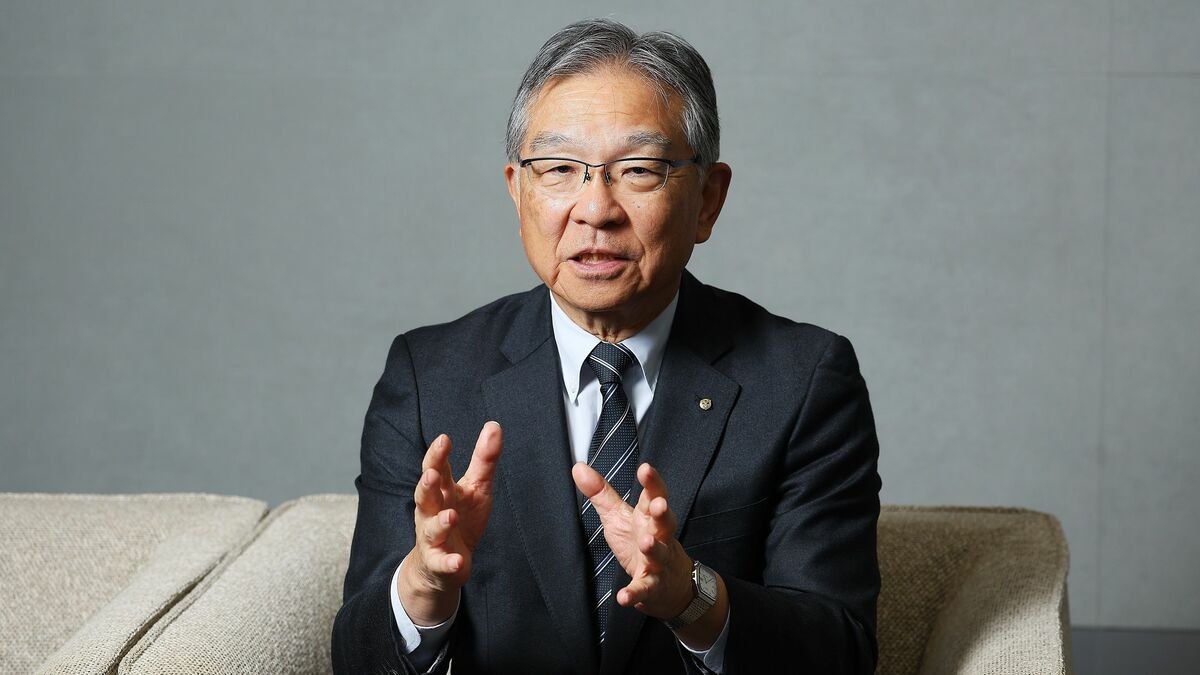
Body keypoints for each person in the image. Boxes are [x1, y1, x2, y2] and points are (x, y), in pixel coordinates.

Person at [332, 18, 880, 675]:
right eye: (559, 169)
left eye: (639, 170)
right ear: (517, 191)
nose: (596, 208)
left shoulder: (803, 380)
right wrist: (424, 583)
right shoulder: (428, 377)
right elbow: (355, 658)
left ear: (708, 200)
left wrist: (693, 597)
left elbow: (842, 651)